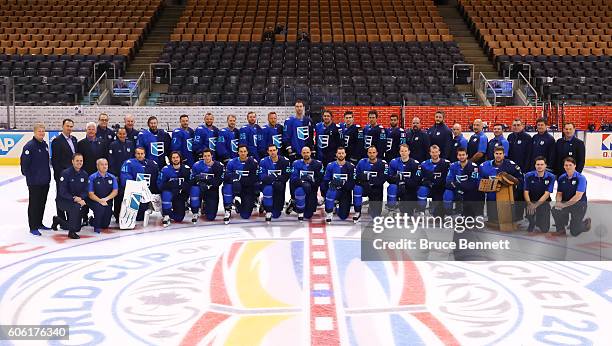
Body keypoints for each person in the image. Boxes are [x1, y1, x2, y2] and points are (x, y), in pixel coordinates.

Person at [21, 123, 52, 236]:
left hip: (45, 181)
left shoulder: (44, 145)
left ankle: (39, 223)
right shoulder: (29, 146)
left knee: (41, 203)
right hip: (34, 182)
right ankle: (33, 226)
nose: (42, 133)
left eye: (43, 131)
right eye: (39, 131)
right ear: (34, 132)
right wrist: (32, 177)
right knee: (34, 204)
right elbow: (24, 166)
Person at [479, 146, 523, 223]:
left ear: (504, 154)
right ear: (493, 154)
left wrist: (513, 182)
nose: (498, 155)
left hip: (506, 192)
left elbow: (520, 179)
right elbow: (480, 180)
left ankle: (513, 217)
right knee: (493, 218)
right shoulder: (484, 166)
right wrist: (487, 186)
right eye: (496, 153)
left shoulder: (511, 165)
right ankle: (492, 217)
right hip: (492, 192)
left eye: (500, 153)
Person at [51, 153, 89, 239]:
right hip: (63, 200)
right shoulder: (65, 173)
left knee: (78, 228)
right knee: (75, 207)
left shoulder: (84, 174)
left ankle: (58, 220)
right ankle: (71, 232)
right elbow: (62, 191)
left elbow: (86, 190)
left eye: (81, 161)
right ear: (72, 161)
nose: (79, 162)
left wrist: (81, 198)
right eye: (77, 161)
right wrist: (74, 198)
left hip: (77, 200)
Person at [551, 157, 591, 237]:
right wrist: (558, 202)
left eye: (570, 165)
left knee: (574, 232)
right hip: (566, 203)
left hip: (579, 205)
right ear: (564, 166)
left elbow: (578, 196)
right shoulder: (562, 178)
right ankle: (561, 229)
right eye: (566, 165)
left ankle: (585, 224)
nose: (568, 167)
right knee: (555, 209)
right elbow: (559, 193)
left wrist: (564, 205)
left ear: (575, 166)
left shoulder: (581, 178)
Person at [120, 147, 160, 221]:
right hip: (133, 192)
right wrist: (136, 188)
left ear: (145, 154)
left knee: (140, 216)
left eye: (142, 154)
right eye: (138, 153)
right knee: (137, 216)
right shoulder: (128, 163)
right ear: (135, 154)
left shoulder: (152, 164)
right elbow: (125, 179)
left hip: (146, 192)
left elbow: (156, 179)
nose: (140, 155)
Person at [222, 144, 259, 223]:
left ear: (247, 152)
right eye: (241, 151)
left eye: (244, 151)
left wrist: (239, 179)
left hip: (247, 187)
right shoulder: (231, 162)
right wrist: (234, 180)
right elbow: (226, 176)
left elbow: (254, 178)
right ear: (238, 152)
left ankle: (237, 204)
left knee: (245, 215)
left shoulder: (253, 162)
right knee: (227, 187)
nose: (243, 153)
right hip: (234, 186)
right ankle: (228, 208)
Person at [51, 118, 77, 224]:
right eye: (67, 126)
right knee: (61, 196)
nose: (69, 128)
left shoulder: (74, 139)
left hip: (73, 174)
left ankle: (71, 218)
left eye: (71, 126)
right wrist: (60, 175)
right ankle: (61, 219)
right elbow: (55, 160)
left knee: (70, 195)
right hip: (62, 174)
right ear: (63, 126)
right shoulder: (57, 141)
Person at [443, 147, 482, 216]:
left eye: (463, 155)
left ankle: (466, 214)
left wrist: (458, 185)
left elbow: (473, 183)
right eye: (460, 155)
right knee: (447, 193)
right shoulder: (453, 166)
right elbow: (448, 181)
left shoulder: (473, 167)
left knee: (472, 193)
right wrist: (457, 187)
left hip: (468, 191)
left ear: (467, 155)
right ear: (457, 156)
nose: (461, 157)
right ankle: (448, 215)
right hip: (456, 189)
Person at [259, 144, 291, 222]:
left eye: (274, 150)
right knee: (268, 189)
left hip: (279, 186)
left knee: (276, 214)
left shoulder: (285, 161)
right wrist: (274, 180)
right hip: (268, 185)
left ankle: (265, 202)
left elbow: (286, 176)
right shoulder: (263, 161)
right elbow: (262, 176)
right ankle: (267, 206)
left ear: (277, 150)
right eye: (270, 151)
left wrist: (275, 179)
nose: (272, 152)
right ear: (268, 152)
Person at [322, 147, 355, 223]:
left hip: (345, 192)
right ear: (336, 154)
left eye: (342, 153)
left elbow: (352, 183)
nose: (341, 155)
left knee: (343, 216)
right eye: (339, 153)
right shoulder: (330, 165)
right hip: (334, 191)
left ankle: (337, 206)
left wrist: (342, 183)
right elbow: (326, 180)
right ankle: (329, 212)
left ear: (345, 154)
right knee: (331, 191)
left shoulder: (351, 166)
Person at [290, 146, 324, 221]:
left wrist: (311, 182)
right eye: (304, 153)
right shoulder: (296, 163)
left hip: (312, 189)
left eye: (307, 152)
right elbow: (293, 178)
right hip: (300, 187)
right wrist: (302, 182)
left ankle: (296, 205)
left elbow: (320, 179)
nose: (306, 154)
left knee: (308, 215)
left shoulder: (318, 164)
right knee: (300, 190)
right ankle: (294, 201)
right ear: (301, 153)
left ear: (310, 153)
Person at [190, 149, 224, 222]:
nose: (207, 157)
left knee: (210, 217)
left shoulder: (218, 165)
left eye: (208, 156)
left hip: (212, 190)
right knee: (194, 189)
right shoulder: (197, 165)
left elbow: (219, 181)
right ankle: (195, 210)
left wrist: (208, 184)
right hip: (201, 189)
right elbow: (192, 179)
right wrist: (199, 183)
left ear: (211, 156)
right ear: (202, 157)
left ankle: (205, 205)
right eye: (205, 156)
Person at [158, 151, 192, 227]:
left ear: (180, 158)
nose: (175, 159)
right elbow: (160, 185)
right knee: (166, 193)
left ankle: (167, 212)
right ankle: (166, 213)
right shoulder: (165, 169)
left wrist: (184, 189)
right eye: (173, 157)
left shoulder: (186, 169)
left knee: (179, 218)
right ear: (171, 159)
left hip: (180, 195)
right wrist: (171, 185)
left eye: (177, 157)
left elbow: (190, 183)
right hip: (169, 193)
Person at [523, 156, 555, 233]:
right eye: (538, 164)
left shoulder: (551, 177)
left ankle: (538, 221)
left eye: (541, 164)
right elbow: (526, 192)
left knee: (544, 229)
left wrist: (536, 205)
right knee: (529, 210)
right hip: (531, 201)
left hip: (543, 203)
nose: (539, 166)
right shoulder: (528, 175)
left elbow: (546, 194)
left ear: (545, 165)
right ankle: (531, 222)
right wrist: (529, 203)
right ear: (535, 165)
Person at [108, 127, 134, 223]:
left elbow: (132, 159)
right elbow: (111, 161)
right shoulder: (113, 145)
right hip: (117, 174)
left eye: (124, 134)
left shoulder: (130, 144)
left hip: (128, 175)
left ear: (126, 134)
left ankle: (127, 214)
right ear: (117, 135)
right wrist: (114, 174)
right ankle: (117, 214)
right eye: (120, 134)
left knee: (127, 195)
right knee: (118, 195)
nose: (122, 135)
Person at [355, 146, 388, 220]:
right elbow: (357, 176)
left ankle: (372, 205)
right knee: (357, 189)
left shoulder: (383, 163)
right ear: (367, 153)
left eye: (373, 152)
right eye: (370, 152)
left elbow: (383, 178)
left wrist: (369, 180)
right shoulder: (361, 162)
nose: (372, 154)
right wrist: (365, 182)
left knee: (376, 215)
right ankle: (357, 211)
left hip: (376, 189)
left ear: (377, 153)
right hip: (364, 187)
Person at [386, 144, 421, 214]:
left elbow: (416, 180)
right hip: (398, 186)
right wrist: (398, 181)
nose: (404, 153)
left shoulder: (415, 164)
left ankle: (415, 208)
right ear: (399, 152)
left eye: (405, 151)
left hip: (409, 188)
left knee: (407, 212)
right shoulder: (393, 162)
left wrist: (404, 181)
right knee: (392, 187)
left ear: (409, 152)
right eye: (402, 151)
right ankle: (391, 209)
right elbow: (389, 178)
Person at [417, 145, 451, 215]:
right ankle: (421, 211)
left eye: (436, 152)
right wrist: (428, 183)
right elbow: (420, 178)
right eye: (433, 152)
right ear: (430, 153)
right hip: (429, 187)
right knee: (422, 190)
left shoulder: (446, 163)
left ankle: (447, 213)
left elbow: (449, 178)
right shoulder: (424, 164)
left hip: (441, 188)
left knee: (447, 194)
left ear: (439, 152)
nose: (434, 154)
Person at [87, 158, 118, 233]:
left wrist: (106, 199)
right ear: (97, 166)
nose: (104, 166)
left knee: (105, 225)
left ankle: (91, 220)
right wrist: (100, 200)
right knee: (100, 208)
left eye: (106, 164)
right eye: (102, 164)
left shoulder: (112, 177)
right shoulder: (92, 177)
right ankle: (96, 226)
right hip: (95, 201)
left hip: (107, 201)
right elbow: (90, 194)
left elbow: (115, 191)